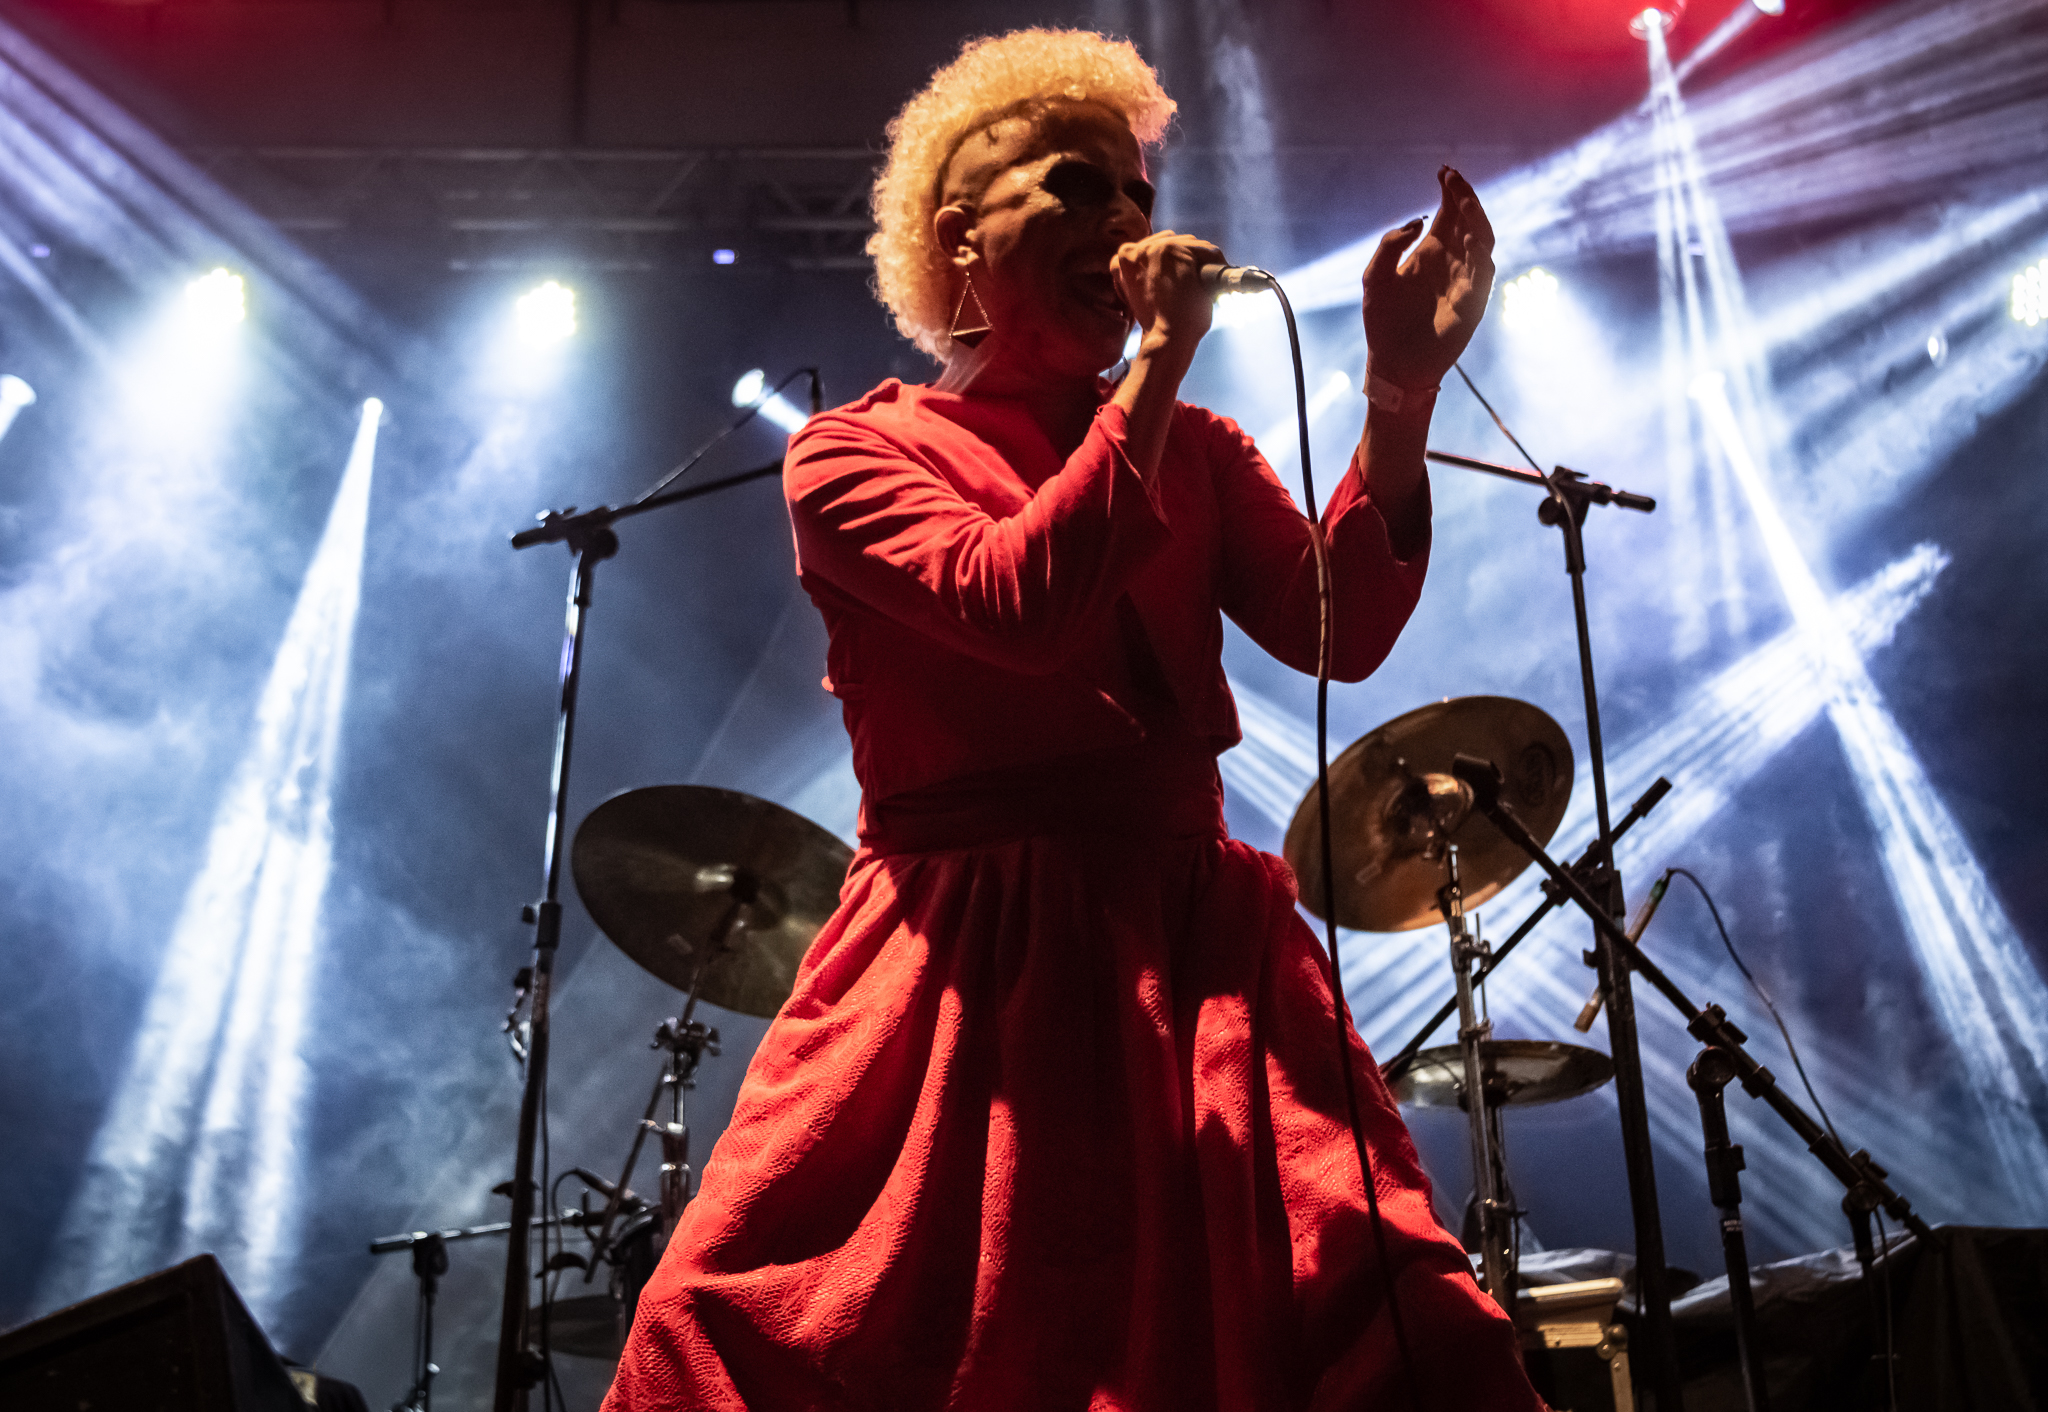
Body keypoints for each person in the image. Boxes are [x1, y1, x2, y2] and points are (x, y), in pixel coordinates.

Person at [605, 28, 1542, 1412]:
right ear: (959, 242)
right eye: (1076, 187)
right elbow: (1020, 603)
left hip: (1191, 944)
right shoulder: (853, 454)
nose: (1125, 221)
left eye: (1137, 195)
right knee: (817, 1330)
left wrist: (1397, 394)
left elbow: (1336, 632)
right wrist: (1160, 361)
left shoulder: (1195, 449)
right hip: (964, 958)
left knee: (1371, 1301)